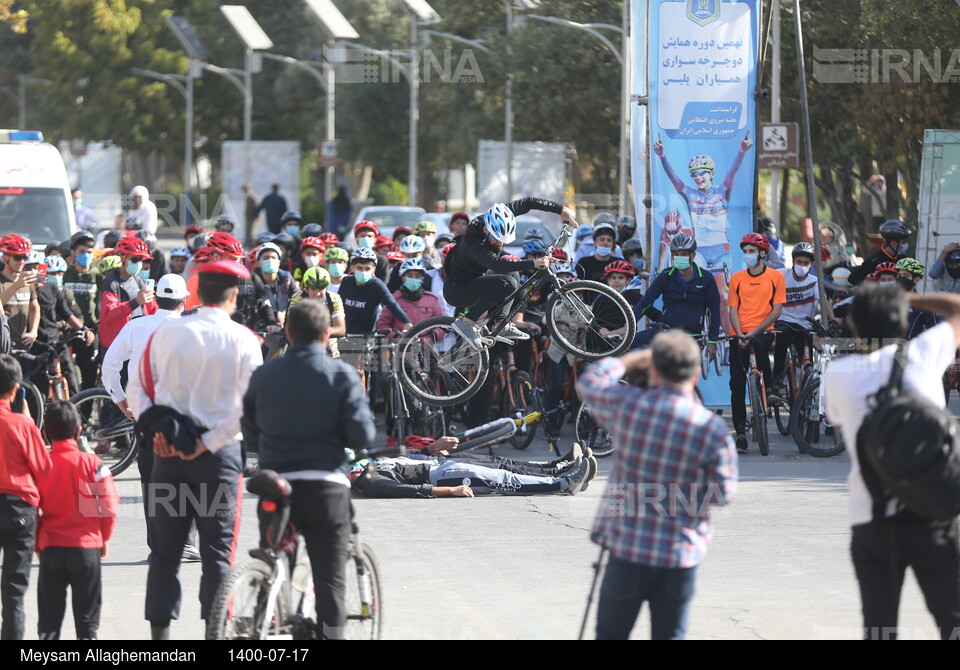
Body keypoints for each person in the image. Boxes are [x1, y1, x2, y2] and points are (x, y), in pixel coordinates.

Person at [127, 260, 263, 640]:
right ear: (233, 295)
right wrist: (207, 442)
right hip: (217, 461)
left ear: (197, 293)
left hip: (167, 457)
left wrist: (159, 431)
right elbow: (246, 409)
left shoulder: (165, 334)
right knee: (217, 555)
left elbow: (137, 390)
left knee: (166, 553)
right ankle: (215, 633)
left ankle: (160, 639)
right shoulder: (243, 339)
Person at [579, 332, 737, 640]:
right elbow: (723, 494)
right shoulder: (711, 428)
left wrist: (628, 359)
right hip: (679, 555)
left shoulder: (631, 407)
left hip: (628, 548)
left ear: (653, 369)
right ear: (694, 375)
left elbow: (590, 382)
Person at [824, 286, 960, 640]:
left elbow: (837, 419)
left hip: (871, 523)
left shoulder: (837, 376)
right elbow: (957, 308)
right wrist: (907, 298)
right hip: (933, 517)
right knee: (954, 621)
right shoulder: (924, 354)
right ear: (903, 325)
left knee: (880, 629)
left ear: (856, 331)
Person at [241, 300, 374, 639]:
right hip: (324, 488)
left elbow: (249, 428)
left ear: (287, 333)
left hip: (275, 484)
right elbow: (363, 434)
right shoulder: (341, 374)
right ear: (327, 333)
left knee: (273, 562)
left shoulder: (265, 373)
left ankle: (262, 620)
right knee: (329, 581)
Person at [443, 199, 577, 350]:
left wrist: (561, 209)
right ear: (487, 230)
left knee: (514, 275)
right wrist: (532, 263)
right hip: (457, 290)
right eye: (498, 239)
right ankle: (468, 322)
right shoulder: (472, 241)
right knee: (507, 283)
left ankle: (501, 324)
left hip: (475, 279)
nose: (501, 244)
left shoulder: (499, 215)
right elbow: (495, 263)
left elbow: (528, 202)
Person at [35, 401, 118, 641]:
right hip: (86, 549)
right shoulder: (94, 465)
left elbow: (33, 508)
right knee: (87, 627)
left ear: (45, 434)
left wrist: (38, 544)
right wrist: (104, 537)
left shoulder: (41, 466)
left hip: (51, 548)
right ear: (79, 432)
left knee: (49, 627)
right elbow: (109, 507)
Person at [0, 353, 51, 639]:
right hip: (21, 510)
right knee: (14, 592)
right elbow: (44, 471)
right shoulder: (22, 425)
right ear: (15, 389)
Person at [352, 438, 590, 498]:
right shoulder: (369, 480)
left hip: (439, 463)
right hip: (440, 476)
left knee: (501, 463)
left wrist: (431, 448)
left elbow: (406, 459)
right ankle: (565, 483)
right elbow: (407, 489)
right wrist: (449, 491)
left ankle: (558, 469)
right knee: (502, 477)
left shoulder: (371, 463)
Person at [727, 233, 786, 454]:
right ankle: (740, 434)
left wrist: (753, 332)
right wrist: (741, 333)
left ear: (763, 253)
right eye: (745, 252)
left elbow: (776, 310)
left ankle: (768, 387)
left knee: (760, 344)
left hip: (763, 330)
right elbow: (732, 309)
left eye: (752, 251)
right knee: (736, 385)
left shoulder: (776, 277)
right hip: (738, 333)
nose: (748, 255)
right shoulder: (736, 279)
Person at [632, 233, 721, 353]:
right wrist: (629, 326)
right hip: (666, 332)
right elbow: (645, 302)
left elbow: (713, 310)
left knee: (680, 368)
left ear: (692, 255)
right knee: (631, 343)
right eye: (676, 254)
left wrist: (712, 340)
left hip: (692, 337)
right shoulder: (665, 276)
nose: (679, 257)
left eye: (683, 254)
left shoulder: (706, 278)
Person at [773, 243, 829, 385]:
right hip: (783, 321)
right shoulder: (780, 275)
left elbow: (824, 303)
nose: (802, 265)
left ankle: (806, 393)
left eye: (806, 263)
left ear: (811, 265)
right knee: (782, 337)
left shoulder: (814, 281)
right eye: (799, 262)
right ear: (793, 262)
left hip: (804, 325)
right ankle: (777, 375)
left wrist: (831, 320)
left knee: (807, 361)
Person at [97, 235, 157, 354]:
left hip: (136, 343)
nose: (139, 263)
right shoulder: (111, 282)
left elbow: (153, 308)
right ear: (123, 258)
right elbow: (108, 313)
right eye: (135, 259)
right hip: (115, 346)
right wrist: (135, 303)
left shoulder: (137, 279)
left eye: (141, 260)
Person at [338, 248, 412, 335]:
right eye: (359, 268)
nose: (363, 272)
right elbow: (338, 306)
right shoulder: (346, 281)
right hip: (344, 334)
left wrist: (407, 322)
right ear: (352, 267)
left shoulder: (376, 285)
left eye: (367, 269)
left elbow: (392, 304)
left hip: (366, 336)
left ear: (373, 269)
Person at [0, 235, 41, 356]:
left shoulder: (27, 281)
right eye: (18, 257)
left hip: (22, 347)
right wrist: (16, 286)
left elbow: (34, 308)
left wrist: (33, 332)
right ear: (6, 258)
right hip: (3, 346)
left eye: (25, 257)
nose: (22, 262)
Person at [377, 258, 444, 332]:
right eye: (409, 276)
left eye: (417, 276)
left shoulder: (432, 300)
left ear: (422, 279)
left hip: (427, 342)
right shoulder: (393, 299)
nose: (413, 279)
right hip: (400, 342)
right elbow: (382, 324)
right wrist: (395, 337)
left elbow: (442, 324)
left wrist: (432, 336)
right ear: (403, 278)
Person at [848, 219, 911, 286]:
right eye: (904, 242)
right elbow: (853, 279)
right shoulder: (873, 261)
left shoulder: (904, 260)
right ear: (893, 243)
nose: (906, 244)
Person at [289, 267, 347, 340]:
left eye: (321, 288)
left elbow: (341, 329)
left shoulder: (334, 298)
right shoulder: (297, 298)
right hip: (303, 345)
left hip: (329, 347)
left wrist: (323, 331)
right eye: (313, 289)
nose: (318, 293)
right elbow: (292, 326)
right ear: (306, 289)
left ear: (326, 288)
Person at [255, 242, 295, 322]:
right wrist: (275, 314)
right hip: (263, 324)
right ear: (259, 262)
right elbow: (255, 307)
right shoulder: (255, 281)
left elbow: (297, 298)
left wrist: (287, 313)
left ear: (279, 262)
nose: (270, 260)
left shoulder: (286, 277)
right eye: (266, 258)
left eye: (273, 257)